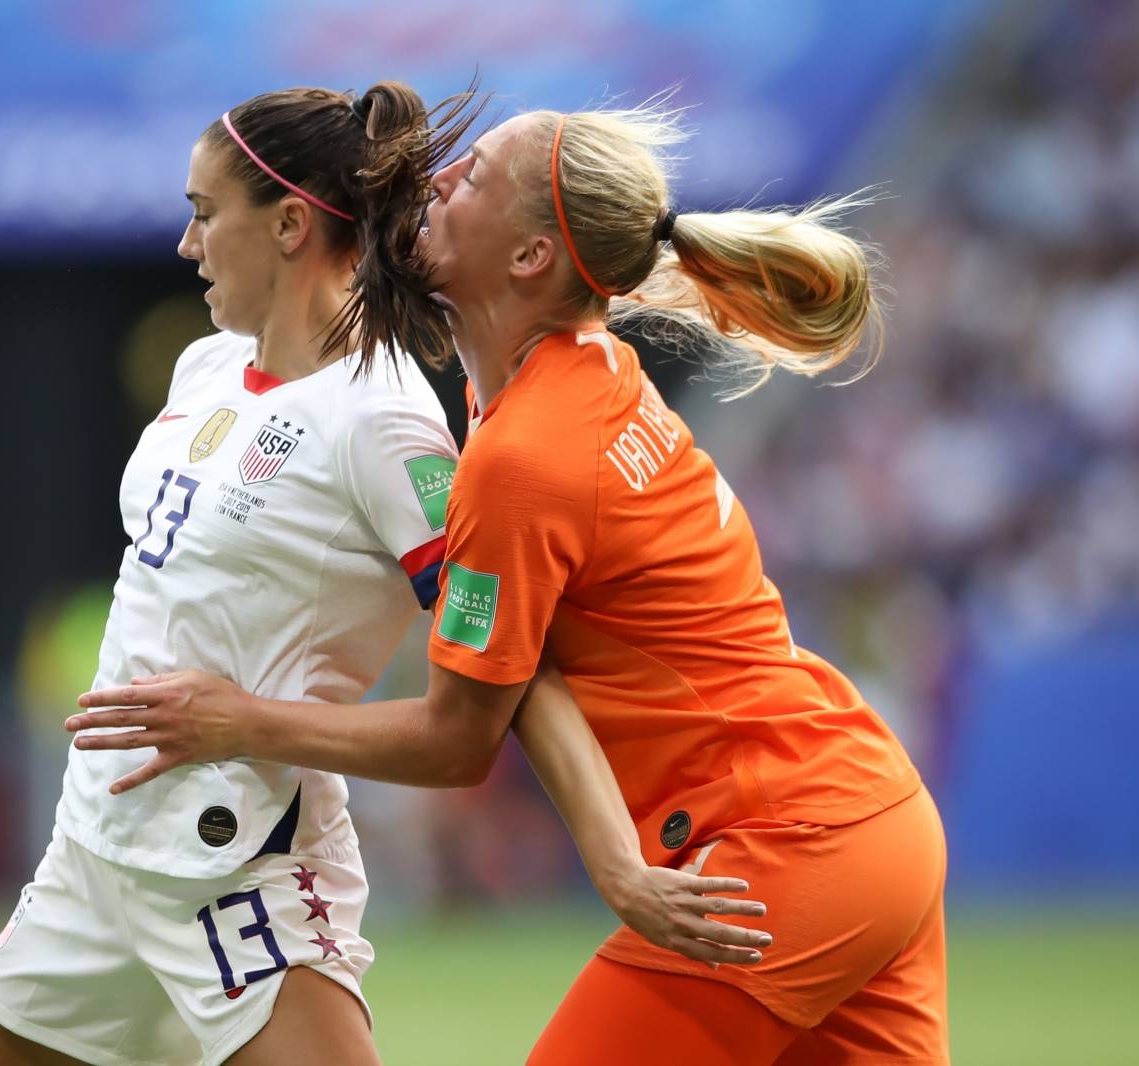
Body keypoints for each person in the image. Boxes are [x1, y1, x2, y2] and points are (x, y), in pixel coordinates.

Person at [70, 101, 947, 1065]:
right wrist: (616, 854)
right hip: (870, 815)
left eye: (474, 176)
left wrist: (239, 722)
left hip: (777, 847)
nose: (440, 179)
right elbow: (531, 675)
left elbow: (457, 737)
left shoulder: (524, 454)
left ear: (529, 259)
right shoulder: (571, 380)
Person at [0, 86, 762, 1066]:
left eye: (205, 214)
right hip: (95, 850)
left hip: (242, 867)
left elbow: (510, 669)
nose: (185, 245)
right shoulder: (205, 368)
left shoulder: (383, 424)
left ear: (289, 225)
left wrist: (615, 861)